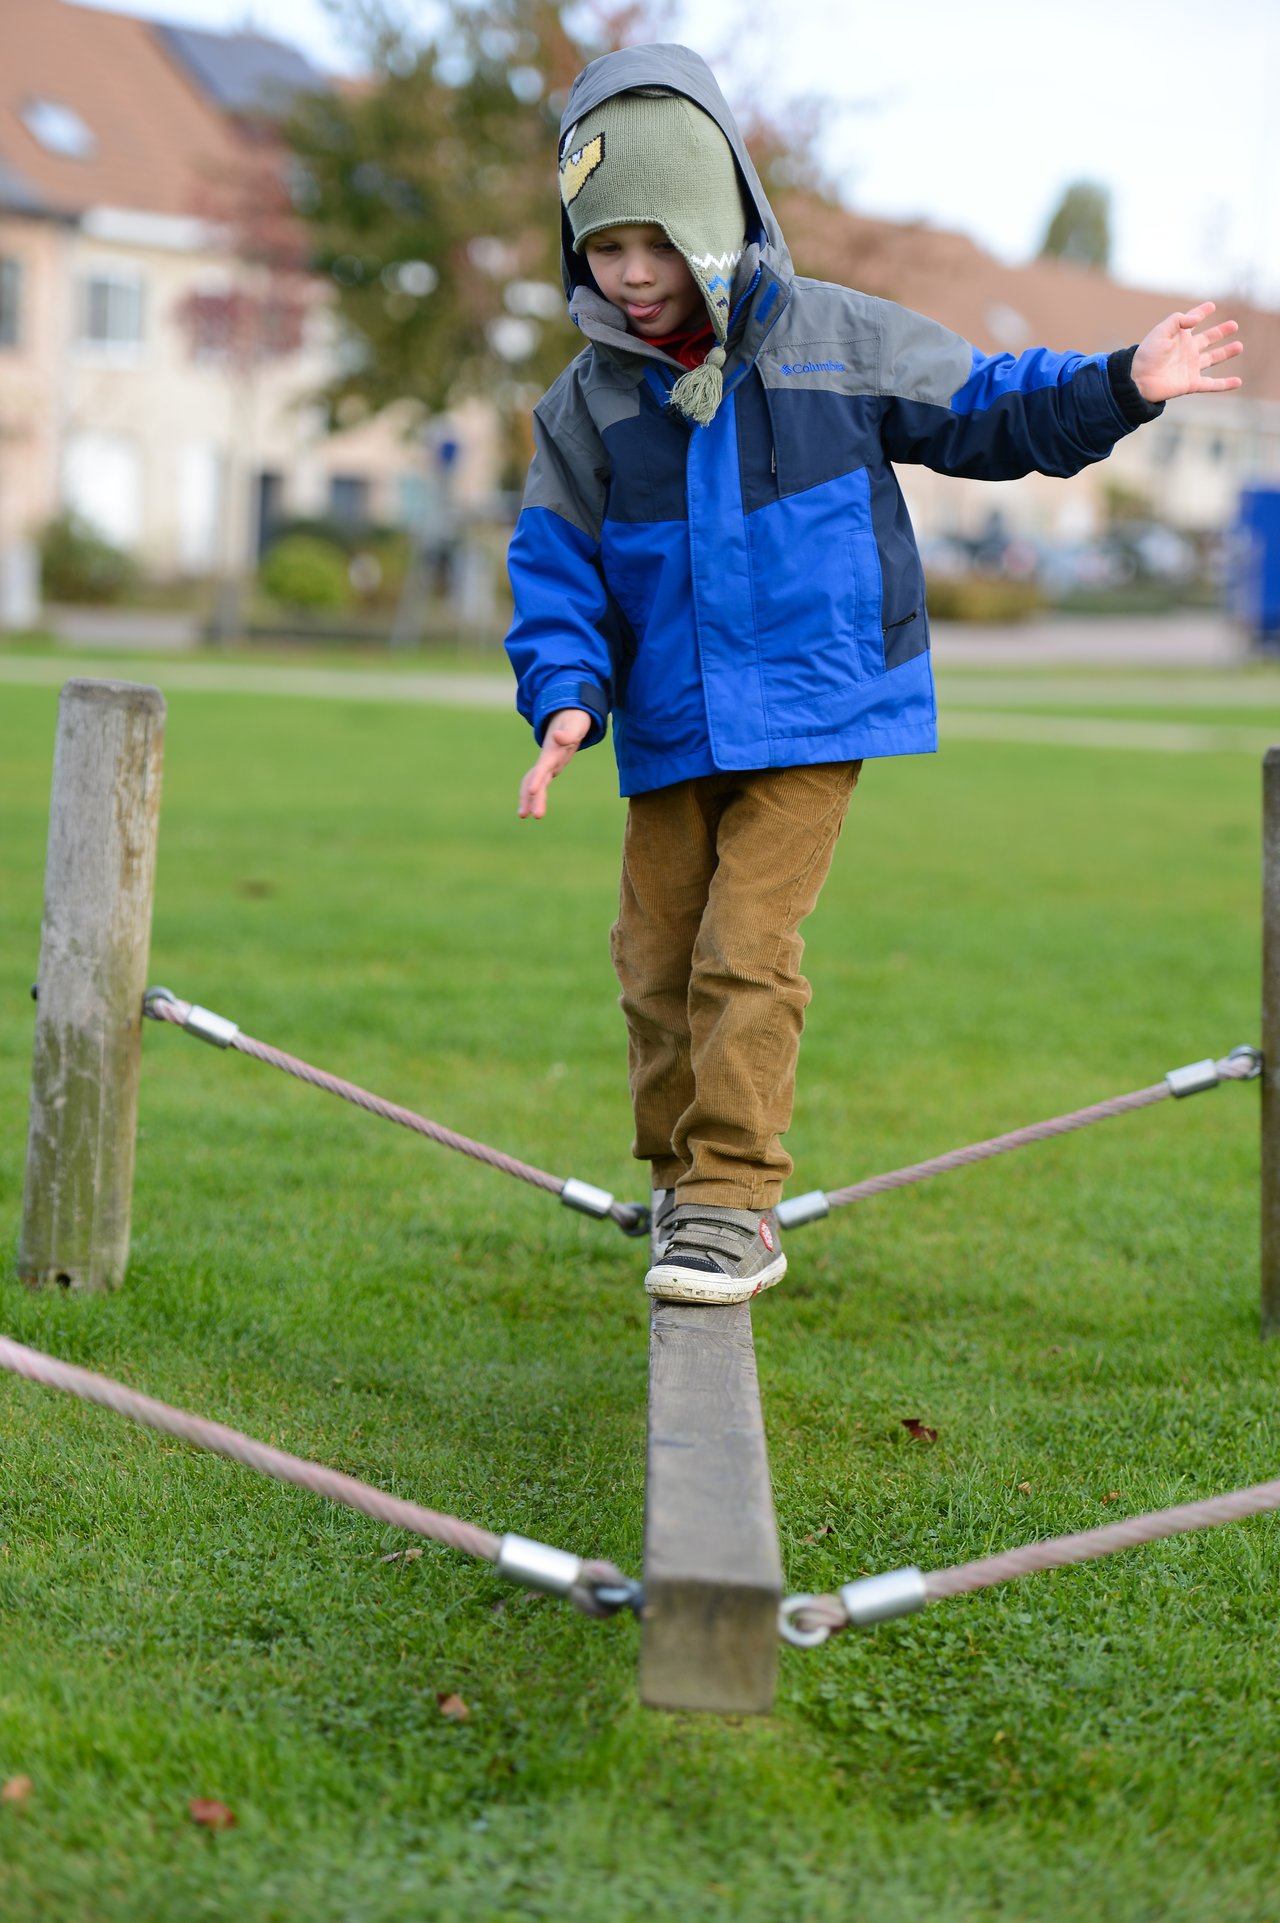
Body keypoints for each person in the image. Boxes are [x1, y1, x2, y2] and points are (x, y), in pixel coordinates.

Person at [503, 43, 1244, 1307]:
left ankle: (736, 1204)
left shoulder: (835, 341)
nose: (630, 276)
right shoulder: (587, 403)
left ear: (718, 218)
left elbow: (990, 409)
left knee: (744, 951)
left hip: (813, 707)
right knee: (652, 962)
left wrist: (1122, 383)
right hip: (673, 722)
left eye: (655, 244)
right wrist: (567, 693)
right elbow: (554, 567)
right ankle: (682, 1178)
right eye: (601, 248)